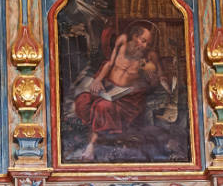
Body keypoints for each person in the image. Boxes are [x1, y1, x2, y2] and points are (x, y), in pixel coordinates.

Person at [68, 20, 173, 160]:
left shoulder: (149, 57)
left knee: (102, 107)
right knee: (83, 100)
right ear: (134, 36)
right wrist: (98, 79)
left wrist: (152, 76)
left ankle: (91, 145)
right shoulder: (122, 41)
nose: (144, 45)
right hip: (108, 88)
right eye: (142, 40)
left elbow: (158, 78)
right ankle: (99, 138)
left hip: (128, 98)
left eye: (147, 43)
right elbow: (109, 63)